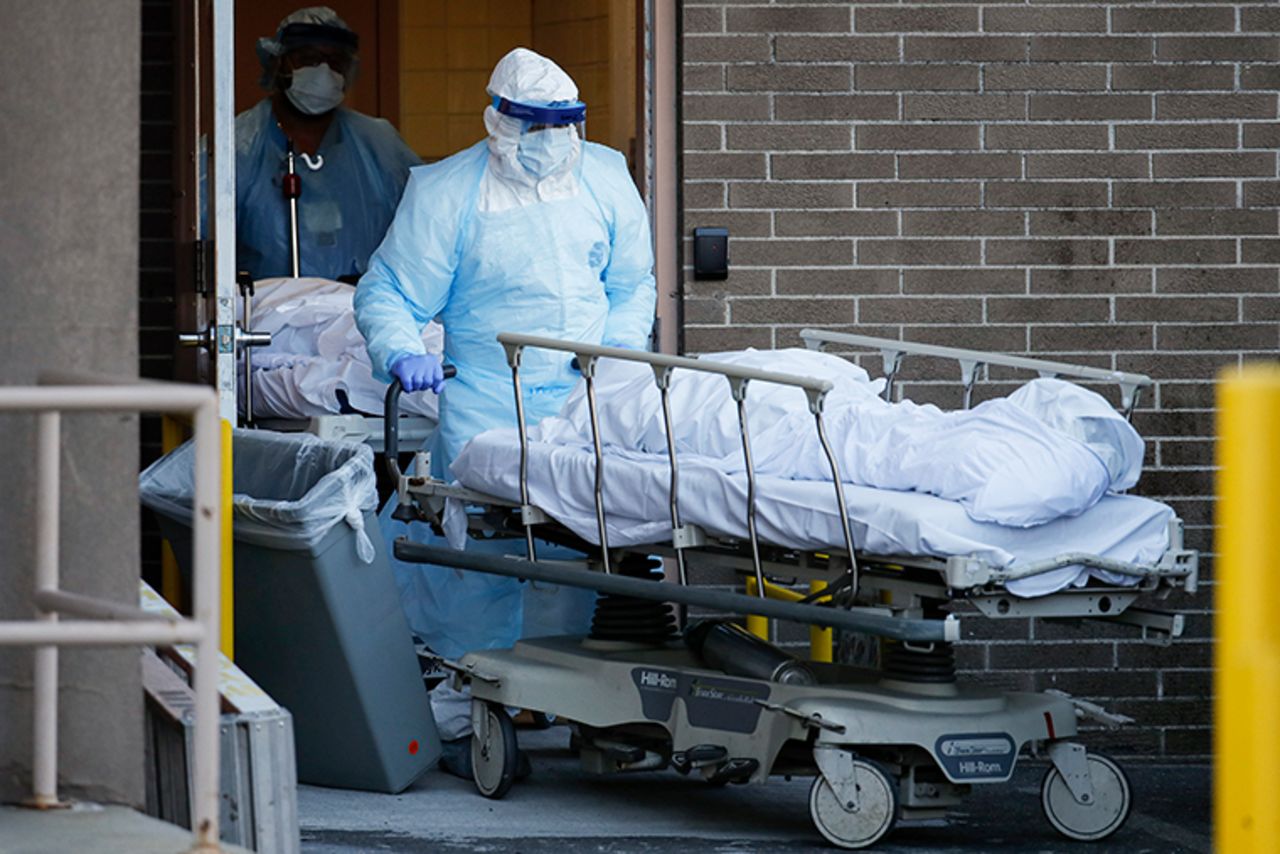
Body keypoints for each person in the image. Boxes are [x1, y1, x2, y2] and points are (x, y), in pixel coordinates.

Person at [354, 47, 656, 774]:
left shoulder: (607, 179)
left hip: (588, 402)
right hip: (487, 401)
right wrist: (403, 352)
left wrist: (612, 361)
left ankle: (574, 698)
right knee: (482, 557)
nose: (550, 141)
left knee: (576, 552)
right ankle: (467, 709)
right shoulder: (448, 192)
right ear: (498, 119)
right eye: (535, 125)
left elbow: (633, 285)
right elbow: (388, 291)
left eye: (564, 125)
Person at [236, 7, 422, 281]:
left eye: (336, 62)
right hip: (267, 315)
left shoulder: (379, 144)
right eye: (308, 59)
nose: (324, 71)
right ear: (278, 63)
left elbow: (428, 224)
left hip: (360, 313)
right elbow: (196, 237)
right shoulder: (239, 144)